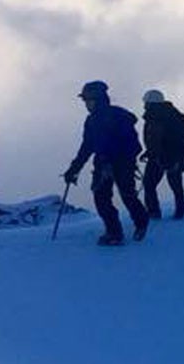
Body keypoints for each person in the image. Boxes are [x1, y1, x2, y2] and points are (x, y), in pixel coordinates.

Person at [63, 80, 148, 246]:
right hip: (104, 164)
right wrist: (74, 169)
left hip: (121, 163)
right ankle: (115, 231)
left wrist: (114, 159)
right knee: (102, 197)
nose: (86, 104)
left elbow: (129, 144)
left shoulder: (117, 117)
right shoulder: (93, 120)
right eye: (85, 100)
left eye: (88, 100)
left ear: (98, 98)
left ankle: (138, 223)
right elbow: (87, 147)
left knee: (125, 195)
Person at [139, 89, 184, 220]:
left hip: (165, 156)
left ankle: (154, 212)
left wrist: (152, 152)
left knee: (150, 184)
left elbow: (158, 138)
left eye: (146, 102)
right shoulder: (170, 115)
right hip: (169, 156)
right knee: (174, 184)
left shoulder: (157, 117)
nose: (144, 105)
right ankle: (179, 207)